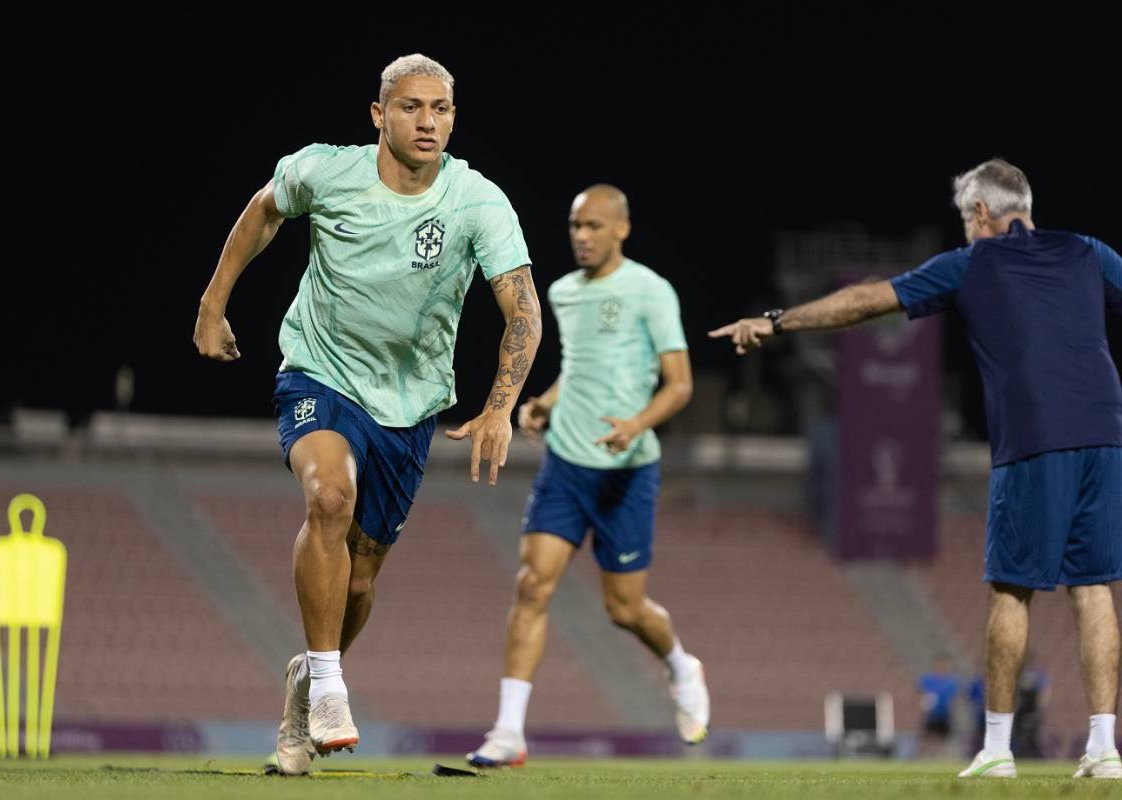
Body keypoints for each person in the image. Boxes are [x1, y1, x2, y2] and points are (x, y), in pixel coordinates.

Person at [710, 159, 1122, 779]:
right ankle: (1104, 749)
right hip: (1105, 430)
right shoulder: (1088, 251)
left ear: (981, 213)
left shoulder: (975, 262)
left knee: (1012, 588)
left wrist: (777, 322)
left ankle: (998, 750)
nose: (964, 230)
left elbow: (865, 301)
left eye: (965, 219)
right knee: (1093, 589)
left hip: (1036, 433)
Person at [192, 54, 541, 775]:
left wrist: (500, 406)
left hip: (408, 405)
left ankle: (308, 678)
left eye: (441, 109)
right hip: (319, 372)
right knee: (328, 497)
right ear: (379, 114)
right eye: (412, 107)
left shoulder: (477, 201)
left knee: (360, 576)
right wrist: (212, 302)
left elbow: (523, 309)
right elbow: (264, 210)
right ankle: (328, 683)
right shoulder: (324, 171)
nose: (428, 122)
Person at [467, 185, 708, 768]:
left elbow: (679, 384)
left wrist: (636, 425)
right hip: (567, 465)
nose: (581, 236)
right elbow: (579, 367)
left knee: (624, 609)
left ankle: (681, 665)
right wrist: (546, 402)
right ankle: (508, 732)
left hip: (627, 471)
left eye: (594, 226)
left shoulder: (651, 291)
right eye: (576, 225)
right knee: (531, 585)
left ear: (622, 229)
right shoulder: (563, 292)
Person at [918, 654, 960, 757]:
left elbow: (954, 700)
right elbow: (921, 696)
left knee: (944, 740)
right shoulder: (927, 680)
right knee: (927, 738)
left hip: (944, 715)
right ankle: (925, 757)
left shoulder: (951, 682)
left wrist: (952, 713)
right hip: (931, 715)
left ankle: (942, 758)